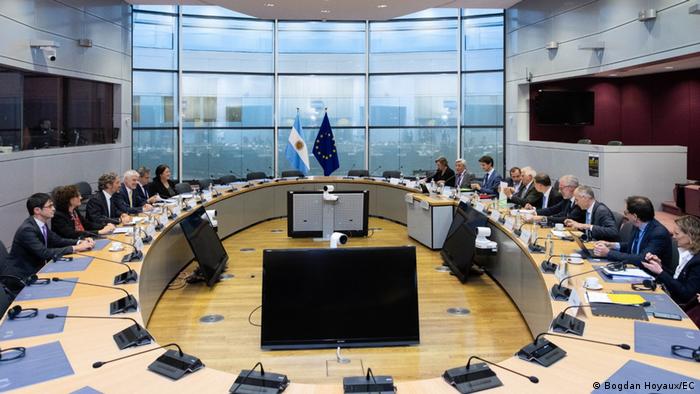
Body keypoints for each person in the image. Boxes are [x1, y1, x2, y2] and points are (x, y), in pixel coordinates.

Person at [2, 193, 94, 279]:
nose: (53, 209)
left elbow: (57, 240)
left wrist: (80, 242)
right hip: (22, 277)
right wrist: (76, 248)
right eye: (50, 206)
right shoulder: (27, 229)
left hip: (37, 270)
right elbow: (44, 253)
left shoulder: (41, 224)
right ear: (37, 210)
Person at [593, 196, 674, 275]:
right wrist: (613, 245)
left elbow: (641, 259)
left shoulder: (658, 233)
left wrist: (608, 253)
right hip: (632, 269)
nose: (625, 215)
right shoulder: (637, 225)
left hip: (650, 276)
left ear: (635, 217)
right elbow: (633, 246)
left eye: (626, 213)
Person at [641, 215, 700, 305]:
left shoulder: (697, 262)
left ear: (690, 235)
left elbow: (686, 294)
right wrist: (660, 267)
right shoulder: (687, 253)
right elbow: (676, 279)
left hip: (679, 306)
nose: (673, 237)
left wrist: (661, 272)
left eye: (677, 234)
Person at [51, 185, 115, 239]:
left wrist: (104, 226)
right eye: (78, 196)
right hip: (71, 245)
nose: (81, 198)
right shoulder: (58, 216)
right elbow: (72, 234)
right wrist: (99, 232)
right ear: (70, 200)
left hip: (84, 240)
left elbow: (87, 224)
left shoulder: (74, 211)